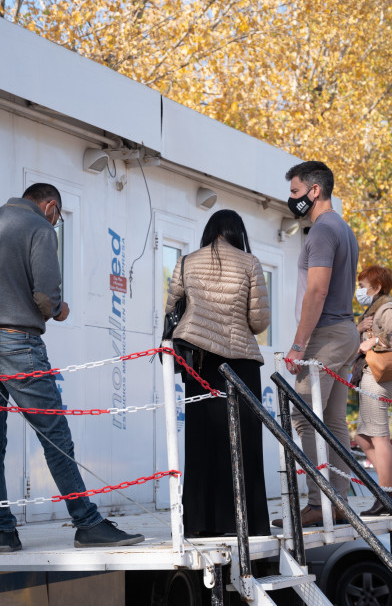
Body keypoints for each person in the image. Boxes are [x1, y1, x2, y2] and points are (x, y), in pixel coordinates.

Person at [0, 183, 144, 552]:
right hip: (16, 341)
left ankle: (4, 533)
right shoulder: (39, 228)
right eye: (57, 218)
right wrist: (59, 309)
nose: (56, 223)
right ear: (50, 207)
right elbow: (46, 296)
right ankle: (87, 524)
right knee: (54, 435)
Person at [164, 209, 271, 537]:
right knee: (245, 444)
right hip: (241, 361)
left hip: (201, 363)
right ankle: (248, 524)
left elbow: (171, 308)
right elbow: (259, 322)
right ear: (237, 233)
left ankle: (199, 524)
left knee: (202, 443)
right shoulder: (250, 263)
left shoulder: (186, 261)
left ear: (210, 231)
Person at [274, 161, 360, 528]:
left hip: (325, 335)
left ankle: (316, 502)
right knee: (334, 420)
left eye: (295, 192)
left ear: (314, 190)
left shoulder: (323, 230)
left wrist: (298, 344)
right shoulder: (343, 227)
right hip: (345, 333)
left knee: (305, 417)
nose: (291, 199)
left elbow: (317, 289)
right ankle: (337, 502)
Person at [353, 265, 392, 515]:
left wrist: (375, 341)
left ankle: (387, 496)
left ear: (377, 287)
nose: (359, 291)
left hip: (379, 378)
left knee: (378, 437)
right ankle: (390, 492)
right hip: (371, 378)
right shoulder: (374, 310)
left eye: (362, 286)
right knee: (363, 438)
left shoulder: (386, 309)